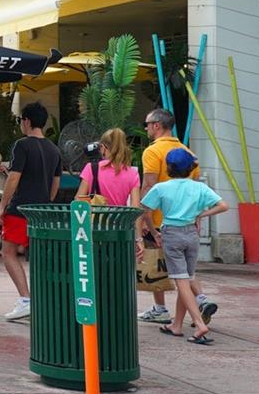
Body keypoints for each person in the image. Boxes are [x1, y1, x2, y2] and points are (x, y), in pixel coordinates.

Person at [135, 107, 214, 326]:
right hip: (187, 221)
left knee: (160, 266)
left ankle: (168, 308)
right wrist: (197, 218)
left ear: (156, 125)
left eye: (147, 124)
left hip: (161, 220)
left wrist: (143, 219)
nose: (146, 129)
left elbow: (148, 186)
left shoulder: (152, 152)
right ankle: (191, 309)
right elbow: (195, 190)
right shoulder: (188, 153)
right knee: (186, 271)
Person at [138, 148, 226, 343]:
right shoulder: (199, 188)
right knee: (187, 278)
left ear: (169, 167)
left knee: (181, 282)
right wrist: (201, 215)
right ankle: (177, 325)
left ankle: (199, 324)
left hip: (172, 234)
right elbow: (223, 205)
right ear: (190, 168)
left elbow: (144, 211)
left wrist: (153, 232)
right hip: (192, 235)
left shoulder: (161, 188)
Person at [0, 102, 61, 321]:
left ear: (27, 121)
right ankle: (41, 300)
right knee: (38, 255)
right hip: (42, 211)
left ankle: (25, 299)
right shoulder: (54, 149)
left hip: (20, 209)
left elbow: (14, 178)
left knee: (8, 252)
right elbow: (56, 183)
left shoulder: (21, 145)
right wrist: (46, 201)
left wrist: (1, 207)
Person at [77, 128, 139, 207]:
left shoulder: (91, 168)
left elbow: (79, 201)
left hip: (96, 214)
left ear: (103, 147)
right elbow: (135, 206)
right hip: (120, 215)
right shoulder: (133, 173)